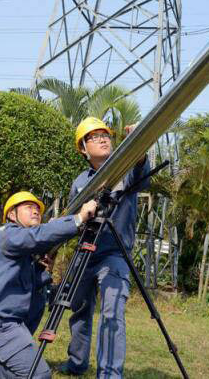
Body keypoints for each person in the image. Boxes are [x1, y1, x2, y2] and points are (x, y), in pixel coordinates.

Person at [0, 191, 98, 378]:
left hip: (1, 323)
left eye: (37, 209)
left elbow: (24, 291)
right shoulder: (7, 234)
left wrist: (42, 272)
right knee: (39, 375)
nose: (35, 211)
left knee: (39, 296)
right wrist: (78, 219)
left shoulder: (22, 251)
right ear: (11, 215)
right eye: (28, 207)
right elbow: (38, 236)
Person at [59, 117, 150, 378]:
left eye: (105, 134)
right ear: (84, 149)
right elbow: (73, 219)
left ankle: (109, 374)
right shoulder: (80, 182)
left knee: (112, 313)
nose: (103, 138)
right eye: (94, 136)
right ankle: (76, 363)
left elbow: (142, 177)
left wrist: (138, 149)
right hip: (85, 252)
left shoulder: (124, 168)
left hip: (115, 254)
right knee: (78, 309)